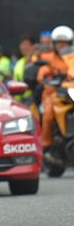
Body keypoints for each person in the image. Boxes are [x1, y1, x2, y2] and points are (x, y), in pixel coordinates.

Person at [36, 25, 72, 164]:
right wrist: (45, 76)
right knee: (49, 111)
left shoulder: (72, 57)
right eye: (59, 43)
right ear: (54, 44)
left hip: (69, 92)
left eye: (65, 43)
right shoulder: (49, 57)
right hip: (53, 92)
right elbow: (43, 70)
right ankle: (47, 144)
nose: (62, 45)